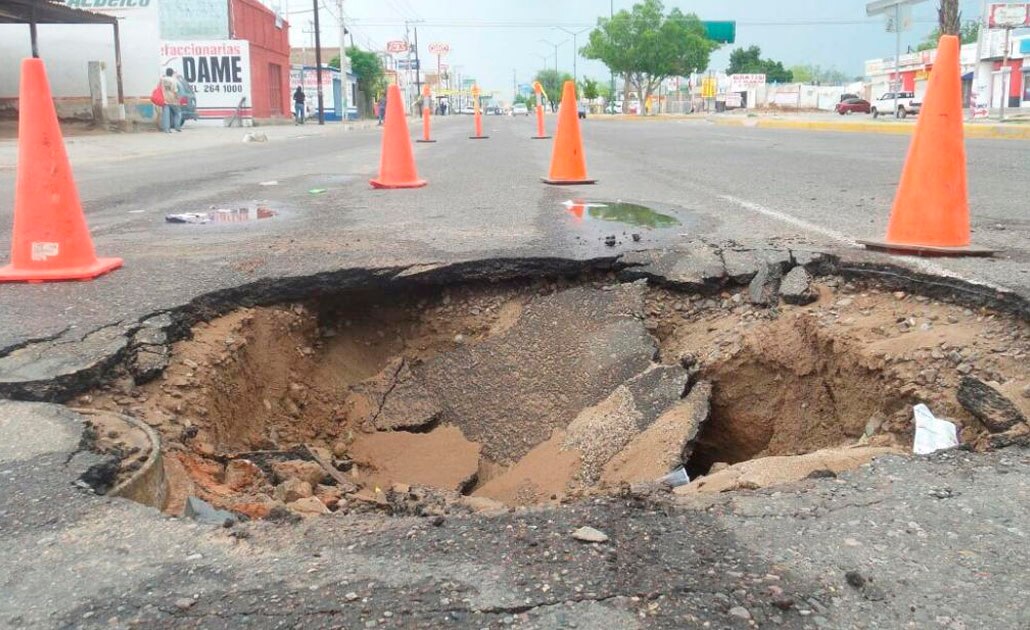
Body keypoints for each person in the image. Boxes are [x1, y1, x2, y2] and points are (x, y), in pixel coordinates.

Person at [160, 68, 181, 133]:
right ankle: (177, 127)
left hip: (165, 99)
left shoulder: (162, 80)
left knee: (166, 115)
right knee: (178, 113)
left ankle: (166, 129)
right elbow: (175, 91)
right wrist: (178, 98)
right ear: (172, 73)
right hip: (173, 100)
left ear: (166, 73)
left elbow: (160, 86)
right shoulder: (174, 81)